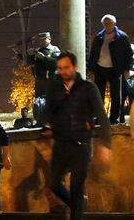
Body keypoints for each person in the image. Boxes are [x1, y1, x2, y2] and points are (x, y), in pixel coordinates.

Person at [45, 51, 112, 220]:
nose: (63, 71)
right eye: (60, 68)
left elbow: (102, 117)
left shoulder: (88, 88)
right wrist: (47, 124)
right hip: (61, 144)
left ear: (74, 66)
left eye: (66, 67)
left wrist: (105, 145)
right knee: (53, 183)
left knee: (76, 187)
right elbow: (48, 112)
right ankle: (77, 206)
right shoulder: (54, 88)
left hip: (81, 145)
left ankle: (76, 211)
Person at [87, 14, 133, 124]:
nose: (107, 25)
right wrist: (91, 70)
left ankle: (114, 118)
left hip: (116, 70)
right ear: (103, 24)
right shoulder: (99, 37)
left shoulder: (122, 37)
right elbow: (93, 54)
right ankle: (100, 118)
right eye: (105, 23)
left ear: (114, 23)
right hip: (100, 69)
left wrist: (127, 69)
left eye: (110, 23)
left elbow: (129, 54)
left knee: (116, 96)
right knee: (99, 96)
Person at [24, 32, 60, 124]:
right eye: (40, 40)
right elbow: (29, 63)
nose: (42, 42)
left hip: (51, 80)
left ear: (49, 39)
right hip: (40, 80)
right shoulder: (37, 50)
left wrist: (44, 58)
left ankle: (52, 120)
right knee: (39, 101)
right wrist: (27, 54)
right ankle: (40, 119)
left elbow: (57, 63)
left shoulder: (54, 49)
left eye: (44, 39)